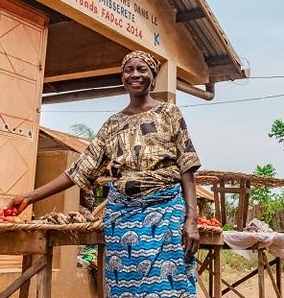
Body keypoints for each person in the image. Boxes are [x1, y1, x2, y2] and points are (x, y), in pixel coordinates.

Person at [11, 50, 201, 297]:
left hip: (165, 215)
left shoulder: (169, 113)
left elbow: (187, 165)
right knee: (124, 290)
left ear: (153, 77)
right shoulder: (112, 125)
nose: (135, 74)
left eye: (142, 69)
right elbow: (79, 170)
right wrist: (30, 197)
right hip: (123, 219)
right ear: (122, 77)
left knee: (168, 287)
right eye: (129, 69)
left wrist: (192, 219)